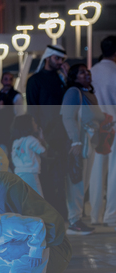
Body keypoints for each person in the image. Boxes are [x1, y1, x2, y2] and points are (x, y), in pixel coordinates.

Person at [26, 45, 69, 219]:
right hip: (45, 135)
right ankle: (50, 211)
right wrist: (38, 133)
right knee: (48, 176)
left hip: (64, 134)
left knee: (63, 174)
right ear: (48, 58)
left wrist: (66, 79)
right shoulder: (35, 80)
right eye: (57, 58)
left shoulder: (62, 80)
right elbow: (32, 109)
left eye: (62, 60)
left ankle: (63, 211)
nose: (60, 62)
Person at [61, 64, 104, 235]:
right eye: (81, 72)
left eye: (87, 72)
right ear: (74, 76)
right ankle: (74, 221)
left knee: (83, 182)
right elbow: (68, 116)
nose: (86, 74)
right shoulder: (74, 92)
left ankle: (76, 219)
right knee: (77, 182)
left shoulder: (89, 94)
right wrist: (75, 141)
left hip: (89, 143)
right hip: (79, 143)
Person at [89, 36, 116, 227]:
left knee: (96, 172)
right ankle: (111, 215)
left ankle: (94, 216)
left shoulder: (91, 72)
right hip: (113, 125)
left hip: (95, 128)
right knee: (114, 173)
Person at [0, 72, 26, 154]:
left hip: (10, 127)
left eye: (10, 79)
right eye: (6, 79)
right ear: (2, 81)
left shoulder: (17, 96)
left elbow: (19, 113)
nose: (8, 82)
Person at [11, 114, 46, 197]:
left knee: (25, 198)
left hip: (19, 173)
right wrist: (42, 140)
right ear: (27, 125)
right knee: (39, 198)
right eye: (33, 122)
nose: (36, 124)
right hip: (31, 173)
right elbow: (44, 153)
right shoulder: (31, 140)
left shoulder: (15, 142)